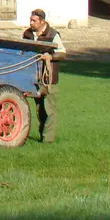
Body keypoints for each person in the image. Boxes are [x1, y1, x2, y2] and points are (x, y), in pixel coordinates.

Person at [22, 8, 65, 143]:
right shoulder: (27, 34)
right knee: (40, 109)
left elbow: (62, 53)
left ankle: (48, 140)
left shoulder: (53, 34)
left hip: (49, 78)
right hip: (34, 77)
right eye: (30, 20)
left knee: (49, 110)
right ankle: (42, 135)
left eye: (34, 21)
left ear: (42, 21)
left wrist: (50, 57)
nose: (31, 23)